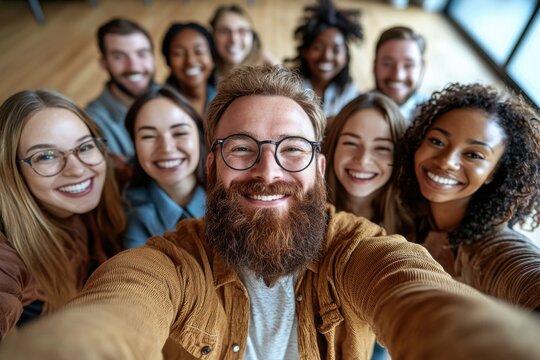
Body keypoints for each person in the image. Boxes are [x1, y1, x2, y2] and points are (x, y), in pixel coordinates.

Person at [2, 67, 540, 360]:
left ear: (319, 167)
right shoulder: (171, 262)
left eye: (292, 148)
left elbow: (415, 290)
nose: (267, 169)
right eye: (241, 148)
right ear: (211, 166)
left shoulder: (358, 248)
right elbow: (118, 309)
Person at [397, 83, 540, 309]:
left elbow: (524, 272)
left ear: (494, 172)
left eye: (474, 154)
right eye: (437, 141)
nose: (446, 161)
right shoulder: (407, 210)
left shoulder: (490, 248)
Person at [0, 89, 125, 341]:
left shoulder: (103, 163)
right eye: (46, 156)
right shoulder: (9, 252)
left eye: (85, 146)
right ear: (11, 170)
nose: (77, 169)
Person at [322, 91, 410, 360]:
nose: (362, 159)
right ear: (333, 145)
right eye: (351, 143)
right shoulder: (303, 211)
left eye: (382, 148)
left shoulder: (413, 227)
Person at [123, 86, 206, 248]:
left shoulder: (233, 195)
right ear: (134, 145)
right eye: (148, 136)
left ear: (200, 136)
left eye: (180, 133)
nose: (166, 148)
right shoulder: (131, 216)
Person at [85, 17, 157, 163]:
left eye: (141, 54)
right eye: (119, 57)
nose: (134, 66)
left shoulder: (173, 95)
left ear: (153, 57)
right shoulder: (92, 125)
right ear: (104, 63)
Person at [289, 0, 363, 118]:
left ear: (345, 57)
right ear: (304, 51)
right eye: (317, 48)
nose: (327, 56)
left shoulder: (350, 92)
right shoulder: (288, 87)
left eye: (336, 50)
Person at [161, 22, 218, 118]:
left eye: (198, 51)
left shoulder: (226, 102)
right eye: (179, 53)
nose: (190, 61)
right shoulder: (158, 105)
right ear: (168, 62)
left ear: (212, 59)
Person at [209, 4, 278, 81]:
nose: (234, 39)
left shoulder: (266, 74)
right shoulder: (204, 76)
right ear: (212, 35)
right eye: (225, 31)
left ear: (253, 37)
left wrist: (274, 66)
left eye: (242, 31)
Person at [373, 26, 428, 122]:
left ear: (422, 67)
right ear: (375, 65)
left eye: (408, 65)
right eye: (387, 64)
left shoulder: (433, 115)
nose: (398, 75)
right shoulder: (353, 109)